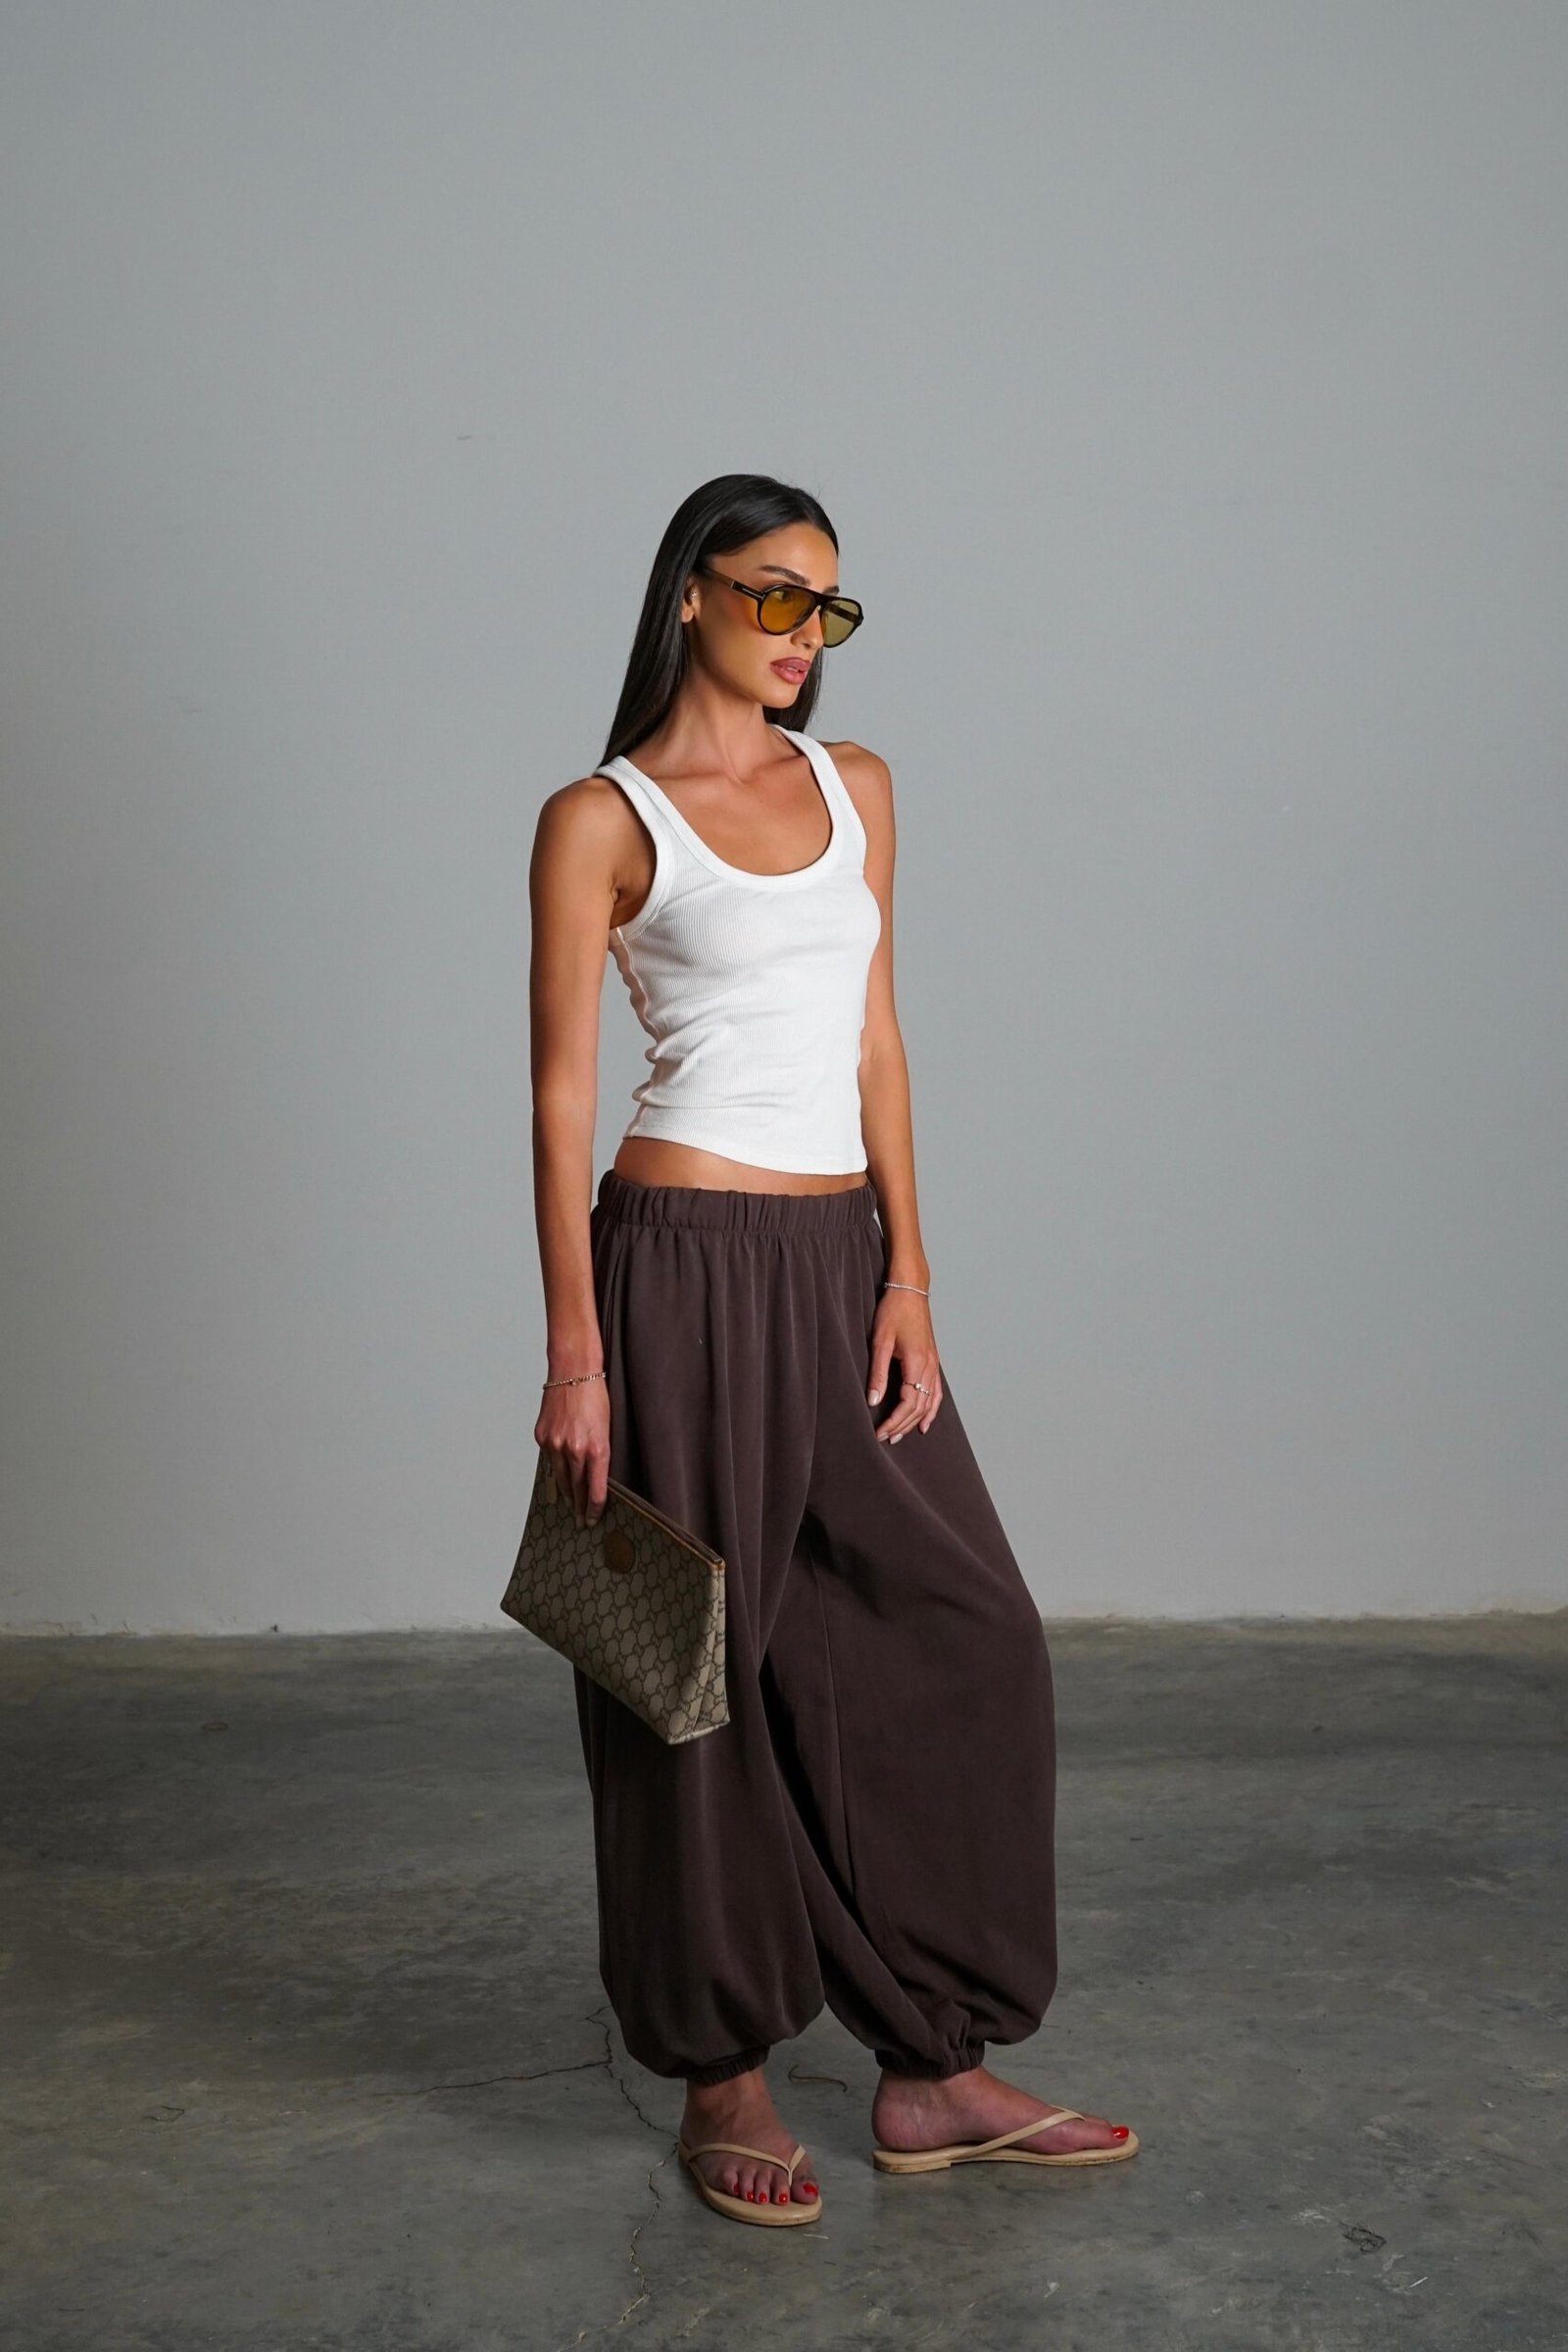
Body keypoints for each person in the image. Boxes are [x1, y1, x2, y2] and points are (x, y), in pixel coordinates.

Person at [527, 473, 1137, 2228]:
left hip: (836, 1257)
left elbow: (878, 1040)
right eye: (778, 595)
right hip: (677, 1261)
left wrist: (911, 1272)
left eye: (832, 607)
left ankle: (930, 2061)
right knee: (687, 1669)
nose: (808, 634)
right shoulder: (603, 817)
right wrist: (577, 1355)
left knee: (960, 1631)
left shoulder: (856, 784)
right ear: (692, 595)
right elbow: (561, 1094)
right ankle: (720, 2065)